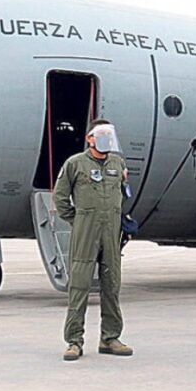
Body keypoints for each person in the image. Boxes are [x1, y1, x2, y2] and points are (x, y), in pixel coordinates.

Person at [54, 119, 133, 361]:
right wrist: (78, 220)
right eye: (101, 134)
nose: (106, 139)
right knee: (79, 286)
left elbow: (123, 193)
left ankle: (110, 338)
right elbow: (60, 197)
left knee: (112, 285)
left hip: (111, 231)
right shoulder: (75, 164)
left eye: (110, 134)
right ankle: (74, 341)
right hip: (86, 231)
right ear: (89, 138)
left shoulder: (118, 163)